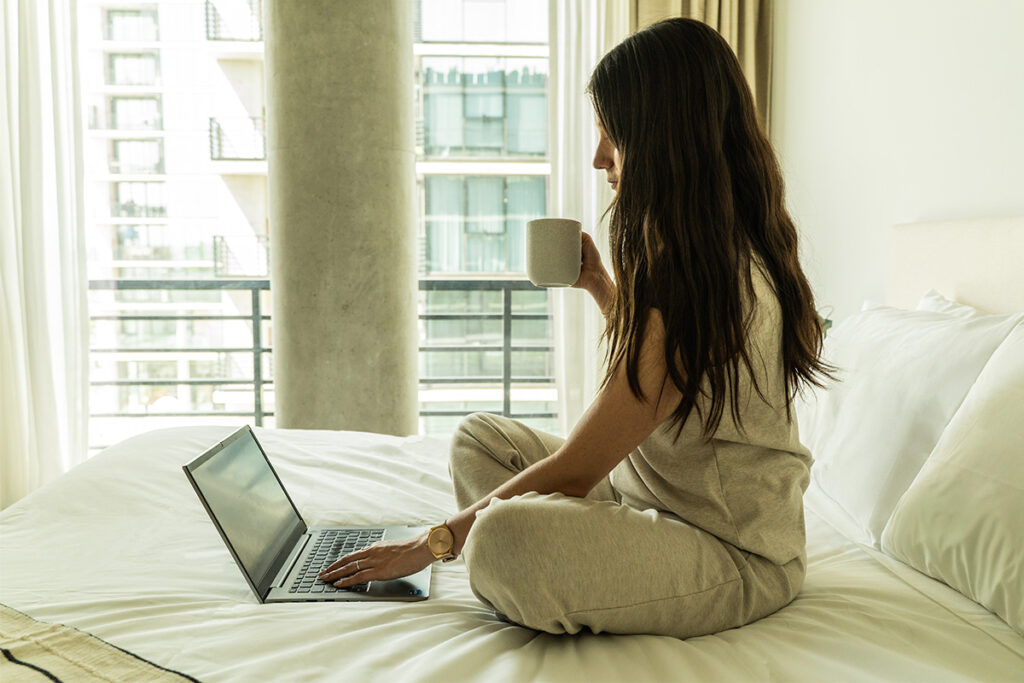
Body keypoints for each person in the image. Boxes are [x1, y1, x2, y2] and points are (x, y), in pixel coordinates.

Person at [320, 17, 831, 639]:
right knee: (478, 441)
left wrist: (431, 544)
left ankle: (535, 568)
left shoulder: (718, 278)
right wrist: (603, 290)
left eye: (612, 135)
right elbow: (669, 381)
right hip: (642, 496)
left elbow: (576, 467)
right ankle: (559, 566)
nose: (599, 159)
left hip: (733, 552)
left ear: (664, 135)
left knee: (502, 536)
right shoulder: (703, 256)